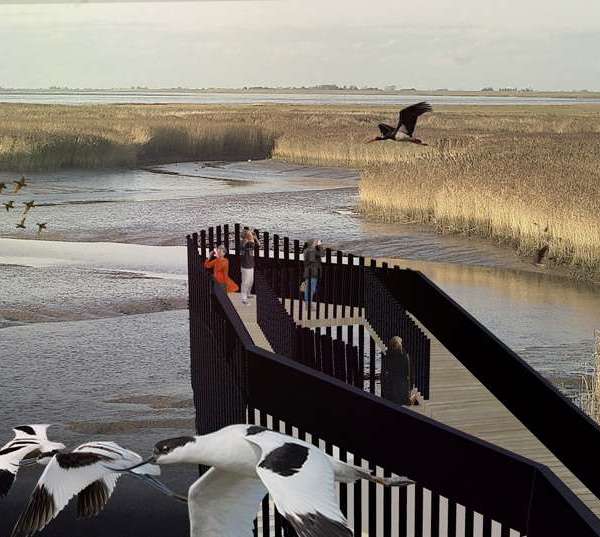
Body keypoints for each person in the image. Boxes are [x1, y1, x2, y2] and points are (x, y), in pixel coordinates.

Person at [240, 229, 260, 305]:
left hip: (251, 265)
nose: (251, 235)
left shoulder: (251, 242)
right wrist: (251, 238)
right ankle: (243, 299)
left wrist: (255, 238)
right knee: (245, 282)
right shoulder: (244, 242)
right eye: (249, 234)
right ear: (246, 235)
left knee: (251, 281)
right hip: (245, 266)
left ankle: (248, 294)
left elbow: (258, 244)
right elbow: (244, 245)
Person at [303, 239, 323, 306]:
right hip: (313, 272)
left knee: (309, 288)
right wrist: (320, 246)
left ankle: (308, 303)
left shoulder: (307, 251)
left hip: (310, 272)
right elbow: (322, 254)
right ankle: (309, 303)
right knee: (312, 288)